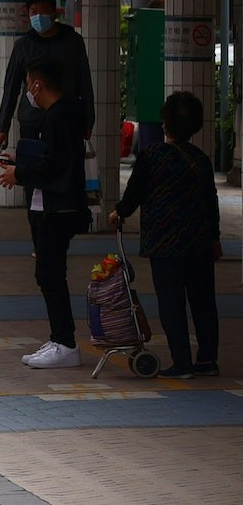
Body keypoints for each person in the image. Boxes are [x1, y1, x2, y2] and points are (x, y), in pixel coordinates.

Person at [106, 91, 222, 378]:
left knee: (171, 302)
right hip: (199, 242)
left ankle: (182, 362)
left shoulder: (152, 155)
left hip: (164, 242)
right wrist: (215, 237)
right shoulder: (201, 160)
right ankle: (207, 360)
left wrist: (119, 212)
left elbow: (134, 193)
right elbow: (211, 202)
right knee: (203, 301)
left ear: (165, 124)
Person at [0, 62, 91, 368]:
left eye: (28, 85)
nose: (28, 92)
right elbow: (53, 156)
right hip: (54, 204)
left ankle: (65, 343)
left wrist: (19, 173)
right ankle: (59, 338)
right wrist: (20, 160)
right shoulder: (64, 114)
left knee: (49, 274)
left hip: (57, 206)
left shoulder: (57, 117)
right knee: (49, 273)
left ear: (37, 85)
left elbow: (54, 164)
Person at [0, 0, 94, 158]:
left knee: (63, 164)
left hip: (66, 117)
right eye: (34, 12)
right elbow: (11, 87)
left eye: (43, 11)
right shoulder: (23, 46)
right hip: (32, 119)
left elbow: (84, 82)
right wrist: (3, 127)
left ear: (54, 14)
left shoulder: (72, 41)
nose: (38, 16)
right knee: (30, 164)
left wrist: (88, 119)